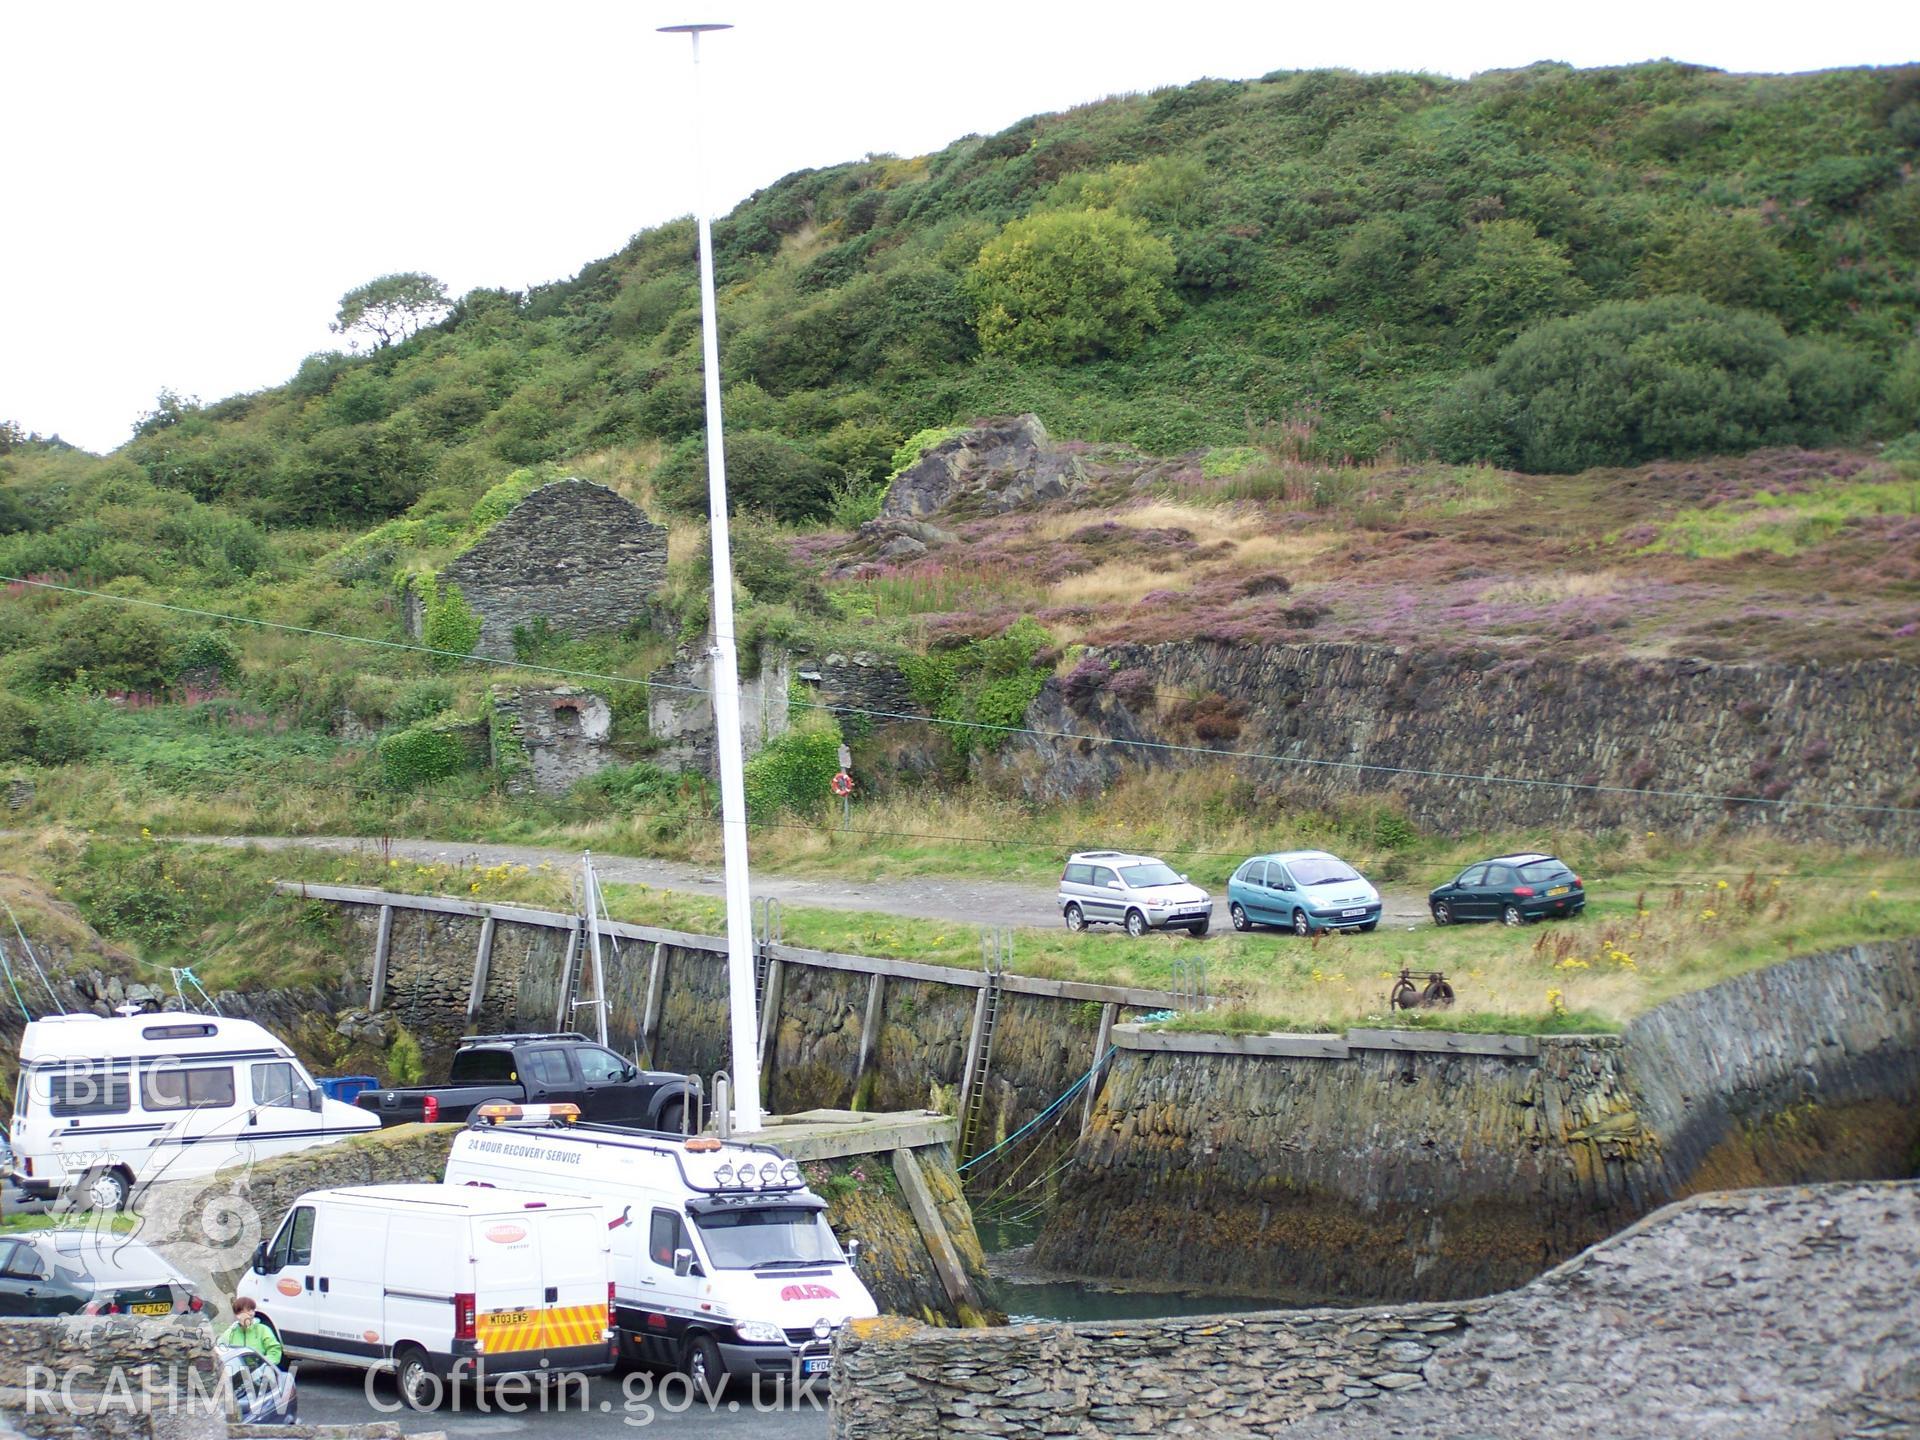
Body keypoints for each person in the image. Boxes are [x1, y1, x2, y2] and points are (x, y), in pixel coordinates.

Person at [219, 1296, 284, 1366]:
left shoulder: (263, 1329)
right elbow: (220, 1349)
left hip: (260, 1371)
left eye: (253, 1310)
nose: (251, 1313)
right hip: (237, 1371)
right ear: (238, 1314)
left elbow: (274, 1350)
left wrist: (263, 1364)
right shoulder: (231, 1332)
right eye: (248, 1310)